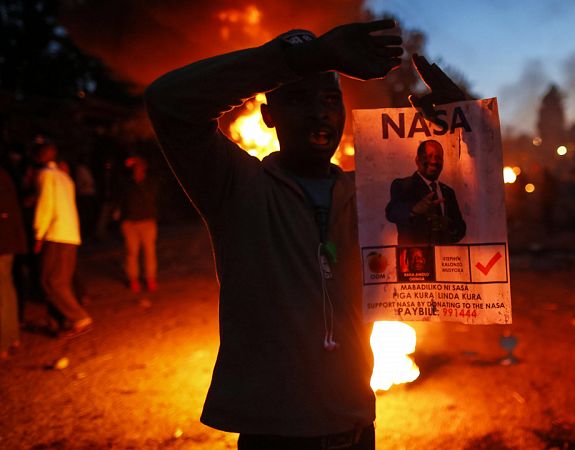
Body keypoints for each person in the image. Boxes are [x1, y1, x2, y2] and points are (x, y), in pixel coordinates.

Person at [145, 20, 464, 448]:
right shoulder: (237, 187)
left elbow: (457, 222)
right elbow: (169, 103)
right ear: (267, 116)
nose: (319, 112)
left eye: (331, 99)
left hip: (354, 427)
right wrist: (308, 58)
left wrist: (464, 127)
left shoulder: (371, 193)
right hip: (274, 436)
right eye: (298, 99)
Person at [31, 142, 93, 338]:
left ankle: (79, 318)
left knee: (49, 281)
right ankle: (62, 321)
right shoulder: (65, 177)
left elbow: (46, 205)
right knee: (62, 281)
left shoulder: (45, 176)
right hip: (70, 233)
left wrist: (39, 233)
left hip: (55, 233)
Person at [385, 139, 466, 245]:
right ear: (417, 160)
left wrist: (448, 226)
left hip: (446, 259)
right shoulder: (403, 185)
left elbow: (460, 230)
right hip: (415, 257)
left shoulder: (448, 192)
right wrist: (414, 210)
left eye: (438, 157)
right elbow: (392, 213)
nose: (433, 161)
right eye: (428, 156)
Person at [117, 156, 159, 292]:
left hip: (147, 221)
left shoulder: (150, 183)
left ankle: (150, 278)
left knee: (149, 252)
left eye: (139, 167)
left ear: (144, 168)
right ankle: (133, 279)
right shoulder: (127, 184)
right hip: (130, 224)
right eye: (135, 168)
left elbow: (153, 199)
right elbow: (121, 201)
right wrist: (122, 220)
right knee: (132, 252)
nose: (137, 170)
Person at [0, 167, 26, 358]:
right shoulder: (5, 175)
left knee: (3, 291)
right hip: (8, 242)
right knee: (7, 289)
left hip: (2, 242)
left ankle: (3, 343)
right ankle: (12, 337)